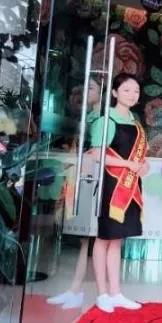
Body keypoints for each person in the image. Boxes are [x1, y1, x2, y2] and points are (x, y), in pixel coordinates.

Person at [88, 73, 148, 312]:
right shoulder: (105, 120)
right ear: (114, 93)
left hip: (131, 186)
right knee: (104, 237)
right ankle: (101, 293)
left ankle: (115, 292)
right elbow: (97, 154)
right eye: (126, 90)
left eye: (136, 91)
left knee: (117, 239)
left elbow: (139, 157)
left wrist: (144, 166)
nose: (132, 95)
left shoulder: (136, 123)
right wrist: (129, 165)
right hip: (111, 187)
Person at [47, 76, 105, 309]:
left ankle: (86, 290)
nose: (84, 92)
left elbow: (99, 151)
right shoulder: (86, 117)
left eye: (90, 88)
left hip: (93, 178)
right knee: (83, 237)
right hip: (80, 176)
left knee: (89, 236)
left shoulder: (101, 119)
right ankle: (75, 289)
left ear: (102, 92)